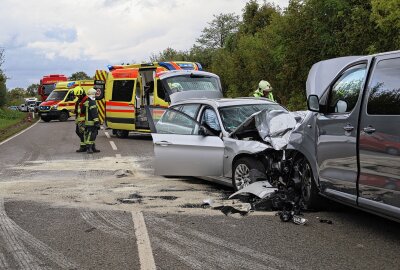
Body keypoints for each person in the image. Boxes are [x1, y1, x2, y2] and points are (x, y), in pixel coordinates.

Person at [83, 88, 100, 154]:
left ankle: (92, 147)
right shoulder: (92, 102)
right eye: (95, 94)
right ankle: (89, 148)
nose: (95, 95)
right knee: (91, 135)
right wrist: (97, 122)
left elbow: (83, 111)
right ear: (93, 94)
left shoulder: (87, 101)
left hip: (87, 121)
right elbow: (94, 113)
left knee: (91, 135)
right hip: (92, 122)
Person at [73, 86, 88, 152]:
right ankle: (84, 146)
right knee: (79, 132)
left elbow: (83, 110)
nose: (77, 96)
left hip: (83, 120)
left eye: (78, 95)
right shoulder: (80, 100)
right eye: (77, 95)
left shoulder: (86, 100)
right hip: (79, 120)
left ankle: (83, 147)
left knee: (81, 132)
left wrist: (75, 111)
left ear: (82, 93)